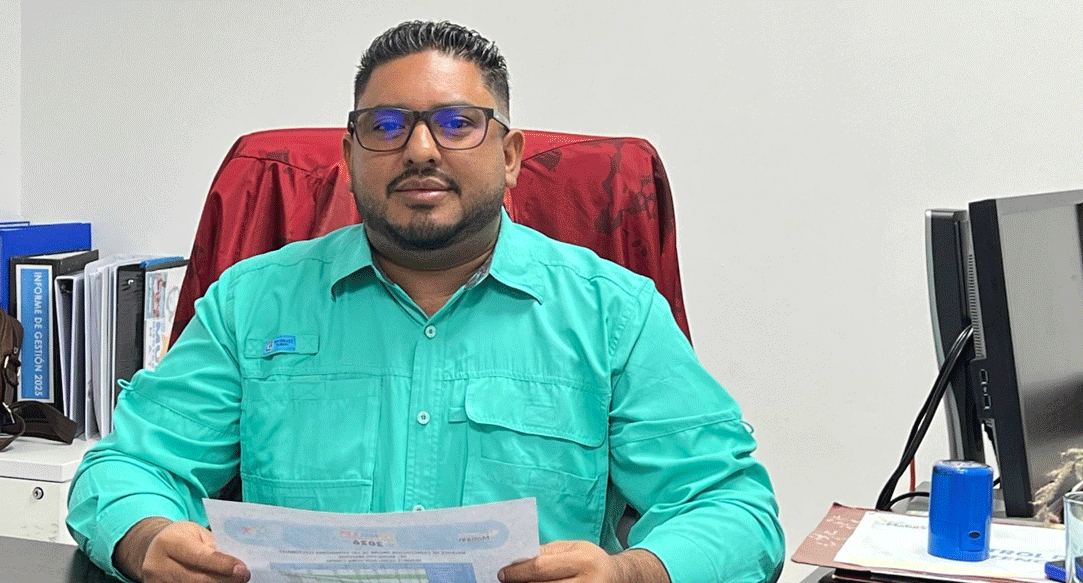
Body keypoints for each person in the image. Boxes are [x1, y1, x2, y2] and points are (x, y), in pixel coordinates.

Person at [66, 20, 785, 583]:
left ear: (510, 156)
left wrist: (631, 573)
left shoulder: (614, 314)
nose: (419, 149)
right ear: (349, 158)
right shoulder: (251, 304)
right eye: (384, 126)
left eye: (456, 122)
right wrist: (146, 537)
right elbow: (125, 468)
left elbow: (734, 507)